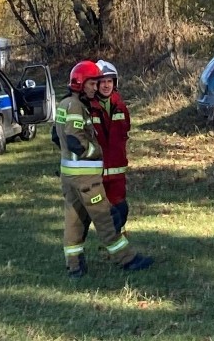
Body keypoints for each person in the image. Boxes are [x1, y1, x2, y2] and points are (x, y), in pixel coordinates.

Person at [53, 60, 153, 279]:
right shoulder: (77, 106)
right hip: (86, 178)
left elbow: (56, 135)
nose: (95, 88)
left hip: (69, 176)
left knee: (74, 221)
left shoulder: (64, 104)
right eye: (92, 84)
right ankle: (126, 259)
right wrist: (95, 151)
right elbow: (74, 141)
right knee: (106, 218)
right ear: (80, 83)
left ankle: (74, 266)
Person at [90, 60, 131, 234]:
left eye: (109, 81)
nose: (106, 85)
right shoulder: (87, 108)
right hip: (95, 173)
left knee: (121, 211)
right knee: (98, 214)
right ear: (95, 84)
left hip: (117, 173)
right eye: (102, 82)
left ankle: (116, 245)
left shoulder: (121, 107)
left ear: (115, 83)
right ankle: (113, 247)